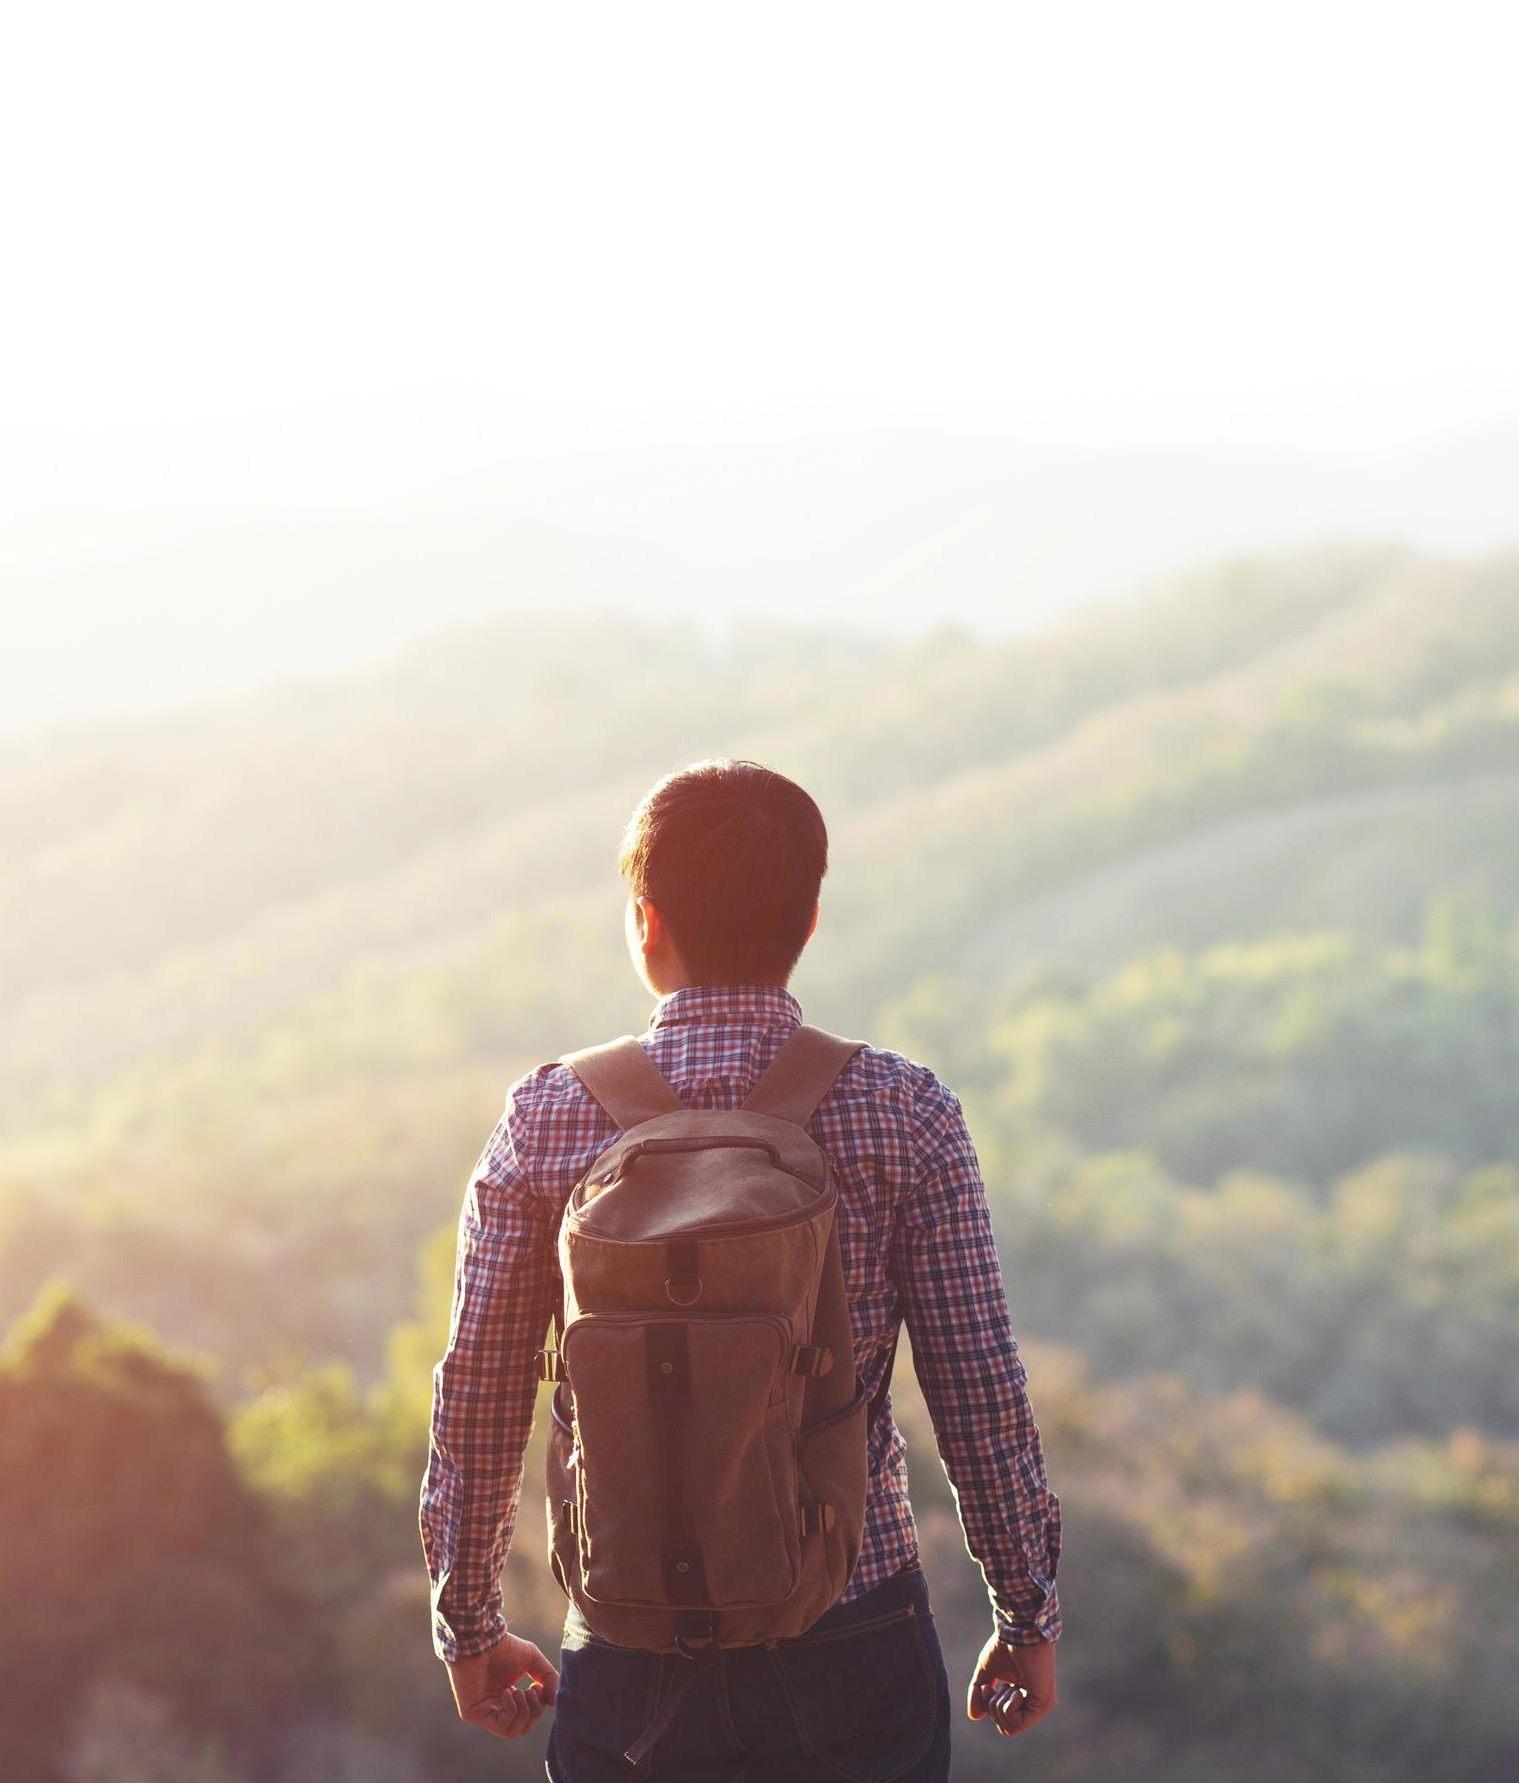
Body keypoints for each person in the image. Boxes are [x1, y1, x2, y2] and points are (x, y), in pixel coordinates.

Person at [420, 758, 1063, 1780]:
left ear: (646, 921)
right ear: (809, 920)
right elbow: (978, 1391)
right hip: (852, 1633)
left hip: (629, 1644)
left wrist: (468, 1624)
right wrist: (1027, 1608)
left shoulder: (547, 1119)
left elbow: (481, 1394)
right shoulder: (905, 1112)